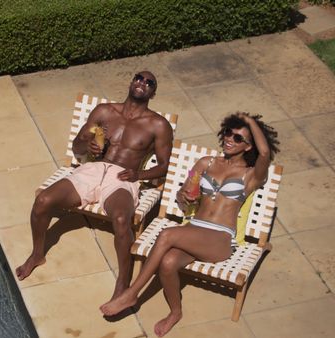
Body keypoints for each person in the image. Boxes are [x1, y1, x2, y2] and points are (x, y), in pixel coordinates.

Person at [99, 112, 280, 337]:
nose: (229, 139)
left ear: (248, 146)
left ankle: (132, 292)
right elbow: (182, 196)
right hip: (195, 229)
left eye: (238, 138)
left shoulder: (251, 175)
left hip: (220, 239)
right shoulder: (206, 163)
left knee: (166, 235)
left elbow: (265, 153)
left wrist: (250, 122)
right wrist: (185, 197)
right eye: (228, 133)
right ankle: (175, 312)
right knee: (168, 262)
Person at [15, 71, 174, 303]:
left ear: (153, 92)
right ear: (131, 82)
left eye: (150, 82)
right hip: (92, 169)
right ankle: (37, 254)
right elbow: (77, 147)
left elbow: (165, 166)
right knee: (43, 201)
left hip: (123, 178)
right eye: (139, 78)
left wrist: (139, 174)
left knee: (121, 220)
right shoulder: (104, 111)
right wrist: (88, 145)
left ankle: (122, 282)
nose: (143, 83)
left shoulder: (158, 125)